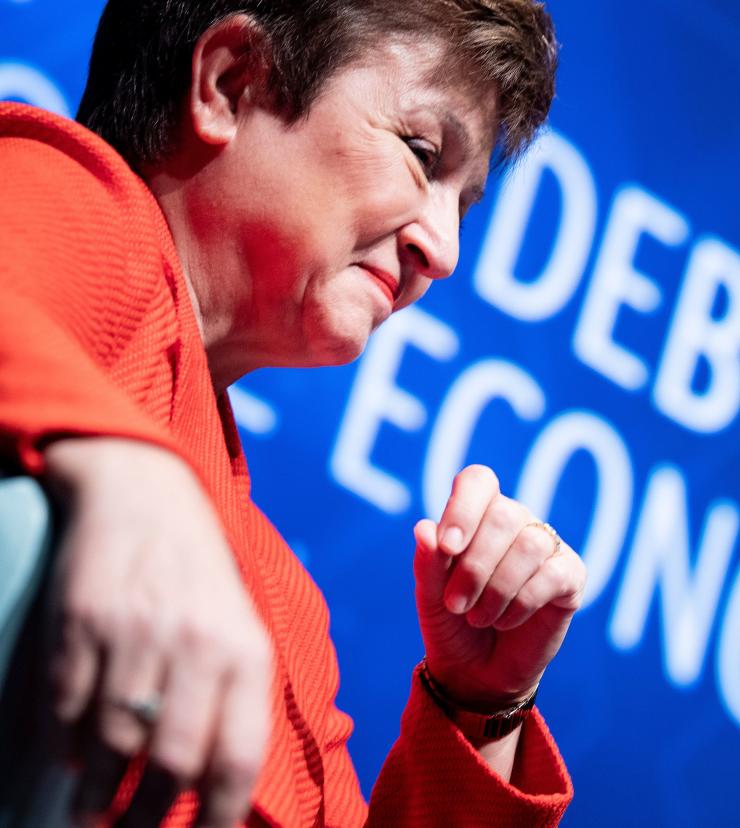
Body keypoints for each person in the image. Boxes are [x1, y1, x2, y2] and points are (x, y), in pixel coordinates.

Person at [0, 1, 587, 825]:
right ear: (229, 83)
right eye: (422, 153)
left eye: (467, 205)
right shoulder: (76, 200)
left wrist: (484, 704)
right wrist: (128, 473)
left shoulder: (289, 611)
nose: (444, 250)